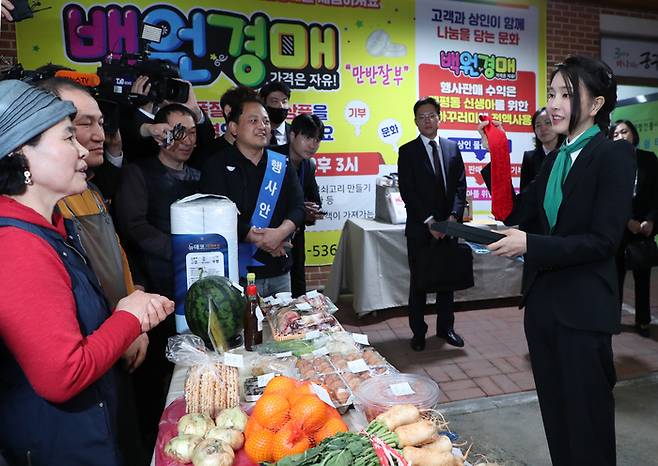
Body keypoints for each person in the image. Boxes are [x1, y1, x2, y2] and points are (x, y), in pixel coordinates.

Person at [0, 80, 173, 465]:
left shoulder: (54, 226)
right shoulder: (17, 247)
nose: (83, 149)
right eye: (67, 137)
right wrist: (129, 317)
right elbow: (62, 375)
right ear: (19, 153)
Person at [480, 56, 636, 466]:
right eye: (551, 93)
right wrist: (497, 154)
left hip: (583, 311)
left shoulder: (614, 156)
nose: (553, 104)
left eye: (566, 94)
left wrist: (531, 245)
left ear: (597, 104)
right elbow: (515, 215)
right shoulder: (553, 159)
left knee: (588, 423)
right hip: (543, 306)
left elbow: (603, 241)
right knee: (557, 418)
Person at [114, 103, 200, 448]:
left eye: (192, 132)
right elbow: (134, 227)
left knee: (194, 360)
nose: (187, 140)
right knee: (156, 369)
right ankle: (157, 438)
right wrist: (179, 250)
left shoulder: (199, 175)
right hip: (156, 285)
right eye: (178, 131)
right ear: (160, 133)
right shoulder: (139, 172)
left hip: (195, 283)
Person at [200, 96, 305, 297]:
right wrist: (258, 239)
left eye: (265, 121)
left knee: (282, 326)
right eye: (253, 120)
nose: (262, 126)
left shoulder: (281, 163)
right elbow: (213, 214)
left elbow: (298, 206)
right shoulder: (216, 165)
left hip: (279, 271)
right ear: (234, 128)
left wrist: (280, 233)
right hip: (236, 275)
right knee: (244, 327)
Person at [397, 97, 467, 352]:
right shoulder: (407, 151)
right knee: (419, 283)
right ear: (415, 122)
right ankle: (418, 332)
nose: (427, 121)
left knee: (447, 281)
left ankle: (446, 328)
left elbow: (460, 185)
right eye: (421, 117)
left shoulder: (451, 148)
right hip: (420, 228)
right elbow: (408, 191)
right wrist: (430, 222)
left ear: (439, 117)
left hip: (449, 227)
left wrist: (453, 217)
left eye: (431, 115)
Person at [610, 119, 658, 338]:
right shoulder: (609, 162)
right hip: (619, 228)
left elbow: (657, 195)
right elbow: (608, 198)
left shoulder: (649, 159)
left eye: (624, 131)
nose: (620, 136)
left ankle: (643, 320)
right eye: (615, 134)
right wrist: (626, 220)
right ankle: (613, 319)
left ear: (633, 135)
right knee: (615, 276)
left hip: (643, 229)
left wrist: (651, 220)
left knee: (642, 275)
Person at [271, 114, 325, 297]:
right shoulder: (271, 157)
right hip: (270, 237)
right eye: (308, 138)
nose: (313, 145)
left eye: (317, 140)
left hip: (296, 235)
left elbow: (315, 199)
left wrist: (312, 211)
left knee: (298, 283)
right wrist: (300, 209)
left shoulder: (308, 165)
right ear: (292, 135)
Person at [259, 81, 292, 145]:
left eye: (284, 102)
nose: (281, 106)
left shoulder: (295, 133)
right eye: (275, 101)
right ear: (263, 103)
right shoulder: (255, 132)